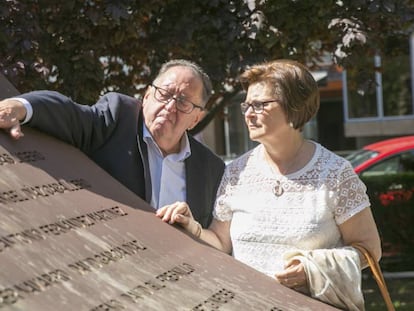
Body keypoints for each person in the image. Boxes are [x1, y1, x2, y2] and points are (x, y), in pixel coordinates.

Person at [157, 59, 382, 310]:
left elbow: (369, 250)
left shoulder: (335, 174)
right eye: (246, 105)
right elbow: (221, 243)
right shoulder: (235, 173)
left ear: (294, 107)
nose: (248, 113)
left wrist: (313, 270)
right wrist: (192, 227)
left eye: (260, 105)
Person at [0, 59, 225, 228]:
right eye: (164, 94)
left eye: (183, 102)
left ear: (196, 118)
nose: (169, 107)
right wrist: (19, 107)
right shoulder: (117, 118)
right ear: (146, 96)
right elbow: (70, 114)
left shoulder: (210, 169)